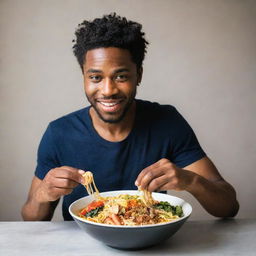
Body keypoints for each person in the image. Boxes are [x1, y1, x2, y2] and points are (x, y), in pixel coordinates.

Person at [22, 13, 239, 221]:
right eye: (96, 77)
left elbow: (228, 207)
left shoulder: (168, 123)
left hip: (150, 241)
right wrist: (42, 195)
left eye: (121, 76)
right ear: (84, 77)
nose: (108, 90)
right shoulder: (59, 133)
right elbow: (31, 219)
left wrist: (190, 180)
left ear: (139, 75)